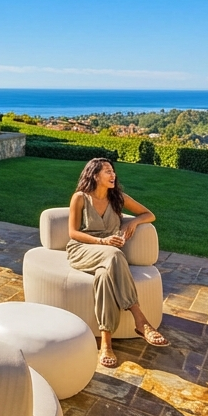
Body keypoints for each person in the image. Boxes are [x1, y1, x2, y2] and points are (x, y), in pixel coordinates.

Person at [67, 157, 168, 368]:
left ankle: (106, 343)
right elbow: (73, 233)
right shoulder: (80, 198)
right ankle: (140, 319)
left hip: (109, 255)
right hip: (83, 250)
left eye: (113, 171)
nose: (113, 175)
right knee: (114, 255)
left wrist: (134, 222)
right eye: (107, 171)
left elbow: (149, 214)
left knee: (104, 277)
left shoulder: (118, 198)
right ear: (95, 175)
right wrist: (101, 241)